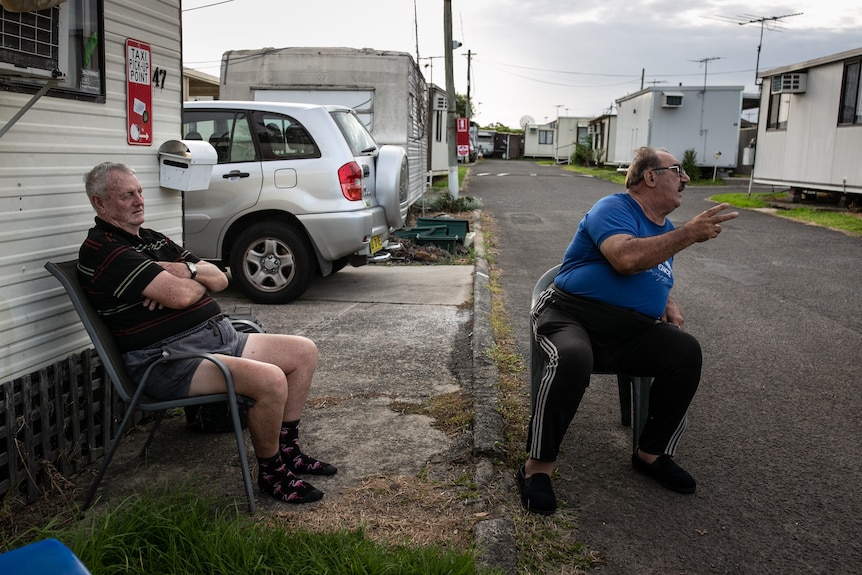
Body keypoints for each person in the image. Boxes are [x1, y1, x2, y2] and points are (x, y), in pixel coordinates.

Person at [78, 162, 336, 505]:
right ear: (100, 203)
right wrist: (187, 285)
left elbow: (221, 279)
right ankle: (272, 472)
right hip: (170, 361)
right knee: (271, 380)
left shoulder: (152, 240)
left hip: (214, 339)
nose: (139, 200)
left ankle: (289, 452)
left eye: (139, 191)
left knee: (303, 351)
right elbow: (183, 295)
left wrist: (184, 270)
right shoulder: (105, 250)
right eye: (127, 195)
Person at [518, 146, 739, 515]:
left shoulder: (664, 230)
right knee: (573, 356)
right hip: (570, 315)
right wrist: (688, 234)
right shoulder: (615, 207)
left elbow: (651, 272)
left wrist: (668, 300)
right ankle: (536, 468)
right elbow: (626, 258)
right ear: (650, 176)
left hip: (629, 332)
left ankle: (651, 454)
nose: (686, 178)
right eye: (677, 170)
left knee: (685, 351)